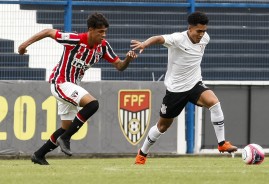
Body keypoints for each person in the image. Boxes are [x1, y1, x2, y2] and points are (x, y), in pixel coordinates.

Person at [18, 13, 137, 165]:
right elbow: (48, 32)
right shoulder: (75, 40)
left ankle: (39, 155)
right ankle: (66, 139)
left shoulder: (103, 47)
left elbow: (119, 66)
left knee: (66, 127)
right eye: (100, 32)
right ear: (90, 30)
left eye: (105, 32)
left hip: (72, 86)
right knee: (93, 104)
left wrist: (127, 59)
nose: (103, 35)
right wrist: (24, 45)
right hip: (60, 82)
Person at [131, 11, 237, 165]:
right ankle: (142, 154)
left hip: (194, 84)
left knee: (214, 102)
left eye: (204, 31)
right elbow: (159, 38)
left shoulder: (205, 39)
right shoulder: (178, 39)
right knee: (162, 126)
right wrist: (145, 44)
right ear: (190, 28)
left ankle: (222, 144)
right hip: (176, 91)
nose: (201, 34)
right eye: (198, 31)